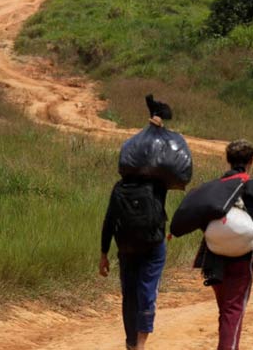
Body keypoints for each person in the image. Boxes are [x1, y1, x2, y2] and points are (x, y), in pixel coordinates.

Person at [194, 139, 253, 350]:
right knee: (233, 309)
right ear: (251, 160)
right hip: (243, 257)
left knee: (225, 309)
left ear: (227, 160)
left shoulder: (215, 187)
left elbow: (201, 217)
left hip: (213, 256)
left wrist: (217, 237)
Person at [99, 114, 171, 350]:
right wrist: (156, 131)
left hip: (126, 247)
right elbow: (167, 160)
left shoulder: (119, 188)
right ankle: (140, 344)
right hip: (153, 246)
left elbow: (109, 220)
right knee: (147, 292)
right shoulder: (158, 186)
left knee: (129, 295)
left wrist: (104, 253)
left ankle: (131, 343)